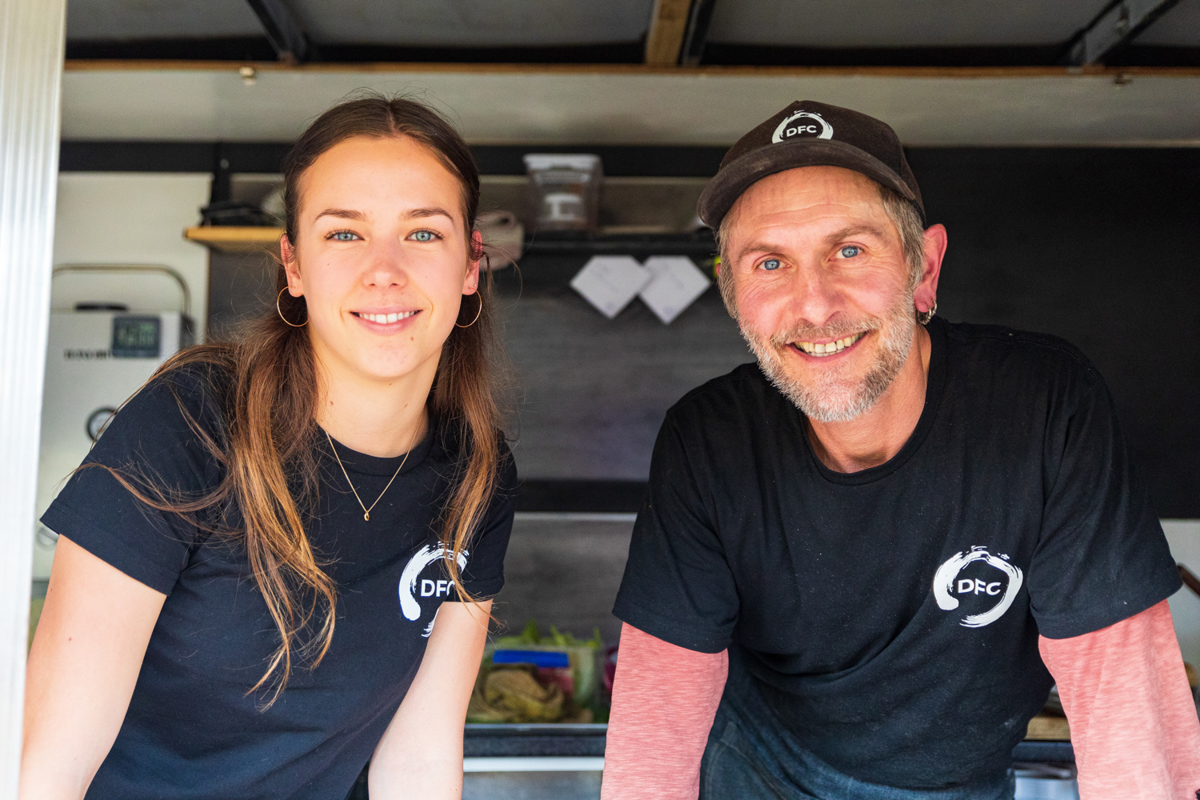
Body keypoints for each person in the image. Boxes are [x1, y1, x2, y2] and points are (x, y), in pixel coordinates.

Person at [601, 101, 1200, 799]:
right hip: (754, 777)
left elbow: (1120, 688)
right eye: (770, 263)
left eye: (850, 250)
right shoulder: (710, 440)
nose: (815, 305)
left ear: (925, 268)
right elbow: (660, 711)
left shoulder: (1040, 407)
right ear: (734, 296)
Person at [20, 95, 516, 800]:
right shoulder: (192, 423)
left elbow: (420, 755)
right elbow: (50, 765)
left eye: (423, 234)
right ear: (294, 266)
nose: (384, 269)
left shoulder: (476, 471)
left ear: (470, 265)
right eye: (343, 235)